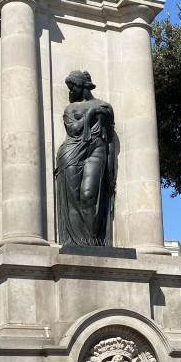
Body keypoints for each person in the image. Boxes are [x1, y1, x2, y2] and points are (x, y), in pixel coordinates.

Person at [54, 71, 115, 246]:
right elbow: (73, 131)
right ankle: (78, 241)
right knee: (73, 200)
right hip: (72, 152)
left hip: (97, 149)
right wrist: (90, 115)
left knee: (88, 195)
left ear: (82, 85)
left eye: (72, 86)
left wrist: (110, 168)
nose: (70, 91)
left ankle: (93, 242)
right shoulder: (70, 109)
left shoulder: (105, 107)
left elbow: (110, 138)